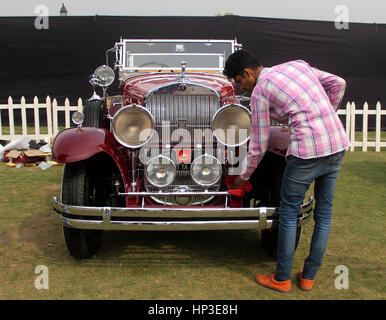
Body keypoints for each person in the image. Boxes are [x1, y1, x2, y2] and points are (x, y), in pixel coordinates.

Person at [223, 49, 350, 292]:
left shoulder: (260, 91)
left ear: (248, 72)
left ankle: (281, 278)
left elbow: (258, 145)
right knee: (324, 213)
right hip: (336, 143)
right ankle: (309, 276)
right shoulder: (298, 65)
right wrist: (327, 113)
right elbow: (338, 83)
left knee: (289, 213)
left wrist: (243, 177)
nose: (242, 88)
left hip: (305, 153)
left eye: (240, 82)